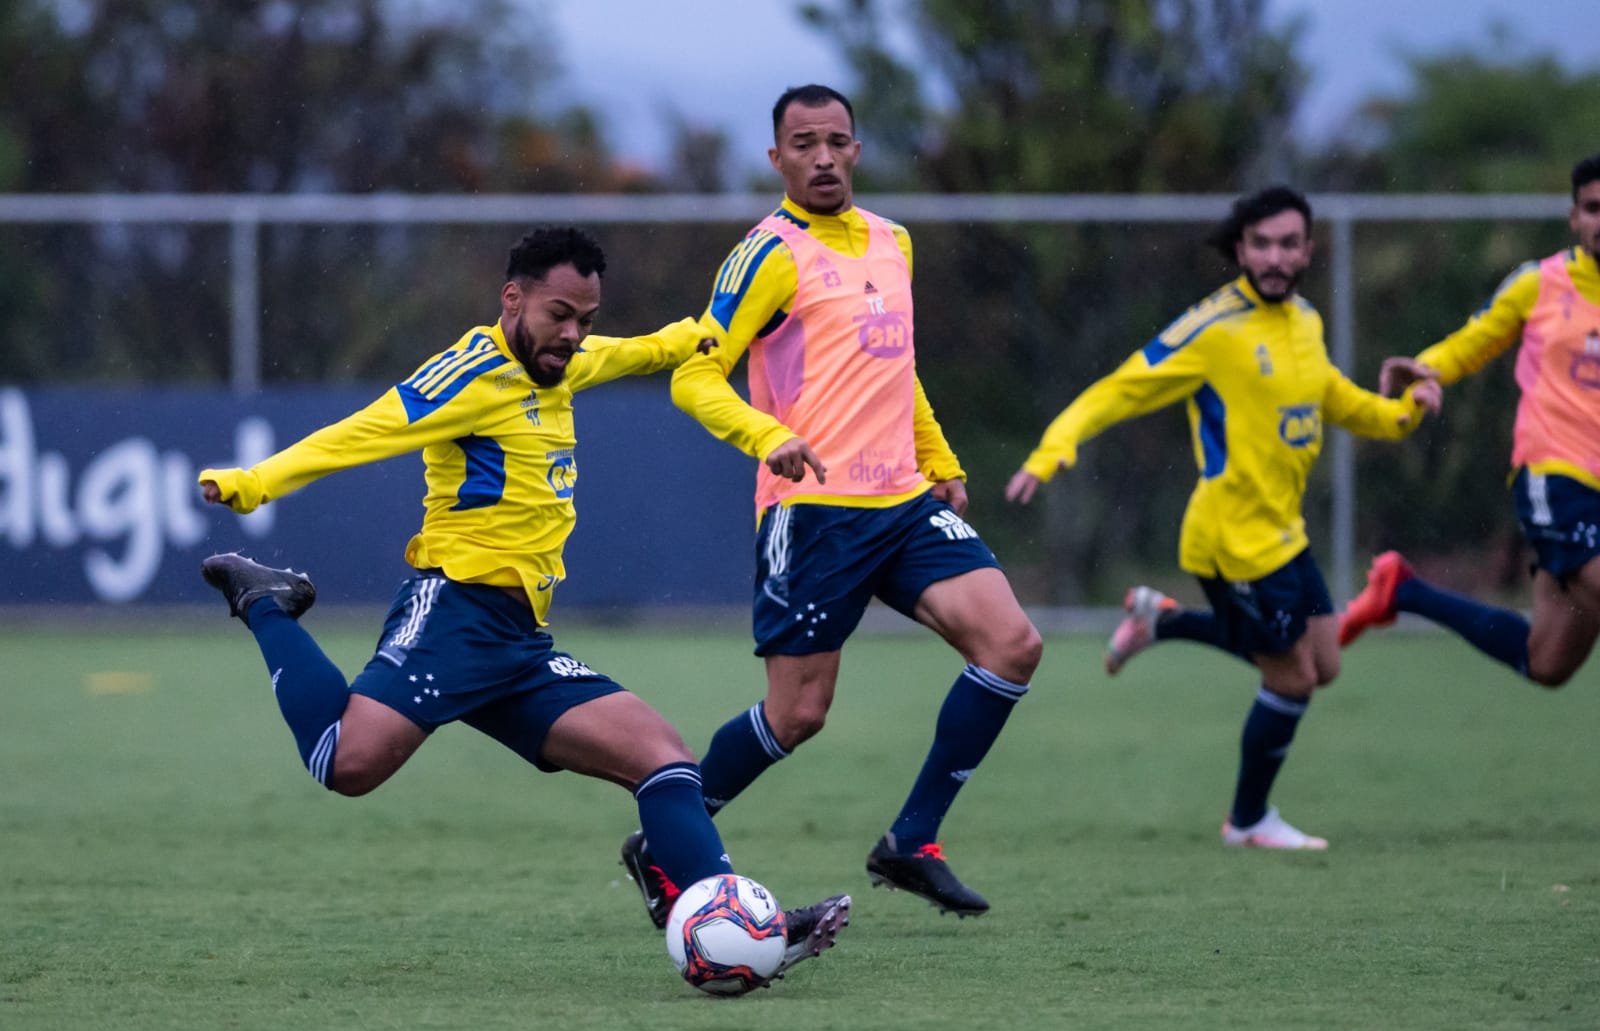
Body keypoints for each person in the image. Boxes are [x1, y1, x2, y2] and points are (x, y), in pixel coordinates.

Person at [196, 226, 849, 985]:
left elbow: (632, 353)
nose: (572, 335)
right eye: (558, 315)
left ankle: (736, 920)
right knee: (347, 763)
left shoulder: (565, 363)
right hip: (451, 616)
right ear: (513, 299)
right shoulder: (467, 376)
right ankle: (266, 600)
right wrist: (256, 482)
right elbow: (360, 434)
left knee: (663, 760)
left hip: (519, 641)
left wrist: (690, 338)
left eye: (585, 320)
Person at [618, 84, 1042, 925]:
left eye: (836, 141)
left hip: (904, 503)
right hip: (812, 513)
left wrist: (939, 460)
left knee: (1013, 645)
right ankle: (663, 840)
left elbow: (898, 367)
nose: (822, 157)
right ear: (776, 158)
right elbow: (694, 376)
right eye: (803, 143)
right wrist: (764, 434)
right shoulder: (767, 253)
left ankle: (911, 841)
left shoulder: (893, 241)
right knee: (799, 713)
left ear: (856, 150)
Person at [1005, 187, 1441, 850]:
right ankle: (1248, 820)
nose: (1275, 257)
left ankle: (1163, 621)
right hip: (1231, 542)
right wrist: (1053, 448)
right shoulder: (1212, 329)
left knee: (1324, 663)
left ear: (1308, 250)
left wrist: (1405, 412)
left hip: (1284, 533)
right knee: (1291, 676)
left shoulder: (1306, 321)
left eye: (1288, 244)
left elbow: (1335, 399)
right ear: (1240, 250)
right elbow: (1121, 388)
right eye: (1261, 244)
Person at [1341, 153, 1600, 686]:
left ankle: (1404, 591)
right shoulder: (1540, 283)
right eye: (1594, 209)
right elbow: (1472, 341)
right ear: (1575, 217)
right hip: (1557, 477)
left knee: (1547, 663)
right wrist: (1424, 370)